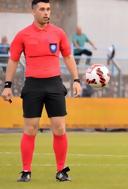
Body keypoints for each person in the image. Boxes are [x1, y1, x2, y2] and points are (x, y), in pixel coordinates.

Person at [1, 0, 82, 182]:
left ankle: (61, 170)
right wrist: (7, 86)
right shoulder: (23, 35)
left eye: (48, 9)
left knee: (60, 128)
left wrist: (76, 80)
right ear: (33, 11)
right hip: (33, 86)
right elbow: (13, 60)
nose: (46, 12)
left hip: (54, 85)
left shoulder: (58, 33)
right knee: (30, 129)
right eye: (42, 9)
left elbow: (68, 57)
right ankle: (26, 171)